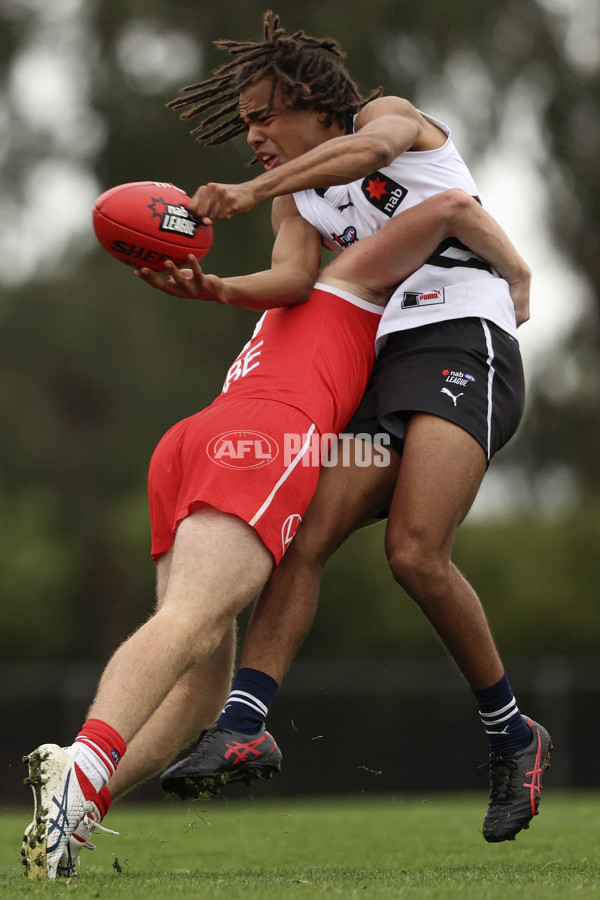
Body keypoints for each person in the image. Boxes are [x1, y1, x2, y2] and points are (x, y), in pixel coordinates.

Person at [20, 186, 527, 880]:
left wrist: (282, 201)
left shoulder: (298, 287)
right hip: (263, 436)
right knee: (193, 622)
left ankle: (75, 809)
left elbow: (292, 241)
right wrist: (517, 276)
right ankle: (82, 762)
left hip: (194, 438)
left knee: (201, 691)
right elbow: (445, 210)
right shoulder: (355, 279)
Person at [144, 11, 550, 845]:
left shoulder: (383, 120)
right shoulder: (296, 191)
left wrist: (253, 190)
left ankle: (514, 736)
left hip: (460, 344)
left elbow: (370, 156)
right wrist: (215, 289)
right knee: (306, 534)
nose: (252, 134)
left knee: (414, 551)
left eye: (264, 115)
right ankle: (247, 720)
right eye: (247, 121)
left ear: (315, 103)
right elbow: (295, 279)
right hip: (385, 373)